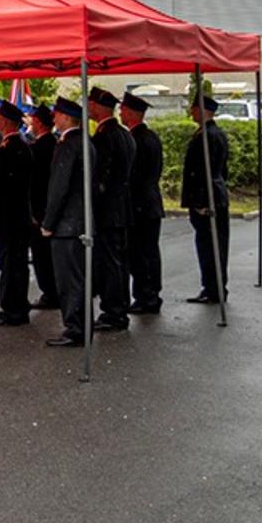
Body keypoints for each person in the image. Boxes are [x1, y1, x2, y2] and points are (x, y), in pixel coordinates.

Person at [43, 97, 90, 347]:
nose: (54, 118)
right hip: (81, 221)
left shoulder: (67, 145)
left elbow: (59, 188)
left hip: (67, 224)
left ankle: (75, 328)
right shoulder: (85, 142)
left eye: (57, 114)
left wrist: (48, 222)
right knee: (79, 278)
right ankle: (81, 325)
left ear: (65, 117)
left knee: (69, 281)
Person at [86, 88, 135, 332]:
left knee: (110, 262)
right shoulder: (123, 134)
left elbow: (98, 176)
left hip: (107, 209)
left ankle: (113, 311)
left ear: (98, 106)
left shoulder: (105, 137)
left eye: (90, 103)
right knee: (118, 261)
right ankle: (119, 306)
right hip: (121, 208)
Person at [0, 102, 34, 327]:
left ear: (5, 122)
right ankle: (19, 305)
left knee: (9, 263)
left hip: (7, 217)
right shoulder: (24, 147)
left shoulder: (6, 150)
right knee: (19, 262)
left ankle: (10, 309)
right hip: (21, 215)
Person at [183, 93, 230, 305]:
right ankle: (213, 286)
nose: (191, 112)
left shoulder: (207, 136)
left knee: (210, 245)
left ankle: (213, 288)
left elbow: (205, 170)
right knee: (212, 244)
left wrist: (201, 202)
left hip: (208, 197)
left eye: (194, 108)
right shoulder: (211, 133)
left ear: (203, 111)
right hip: (215, 193)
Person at [122, 92, 165, 314]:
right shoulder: (151, 136)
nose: (120, 113)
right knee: (149, 251)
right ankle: (150, 293)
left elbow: (133, 175)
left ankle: (145, 296)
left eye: (123, 110)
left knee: (140, 253)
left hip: (139, 205)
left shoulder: (136, 140)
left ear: (130, 113)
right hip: (150, 203)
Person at [26, 105, 61, 309]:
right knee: (49, 254)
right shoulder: (55, 143)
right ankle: (52, 290)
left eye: (32, 121)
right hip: (49, 208)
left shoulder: (38, 148)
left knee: (42, 255)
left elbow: (34, 183)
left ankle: (50, 293)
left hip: (39, 210)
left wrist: (32, 210)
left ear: (38, 123)